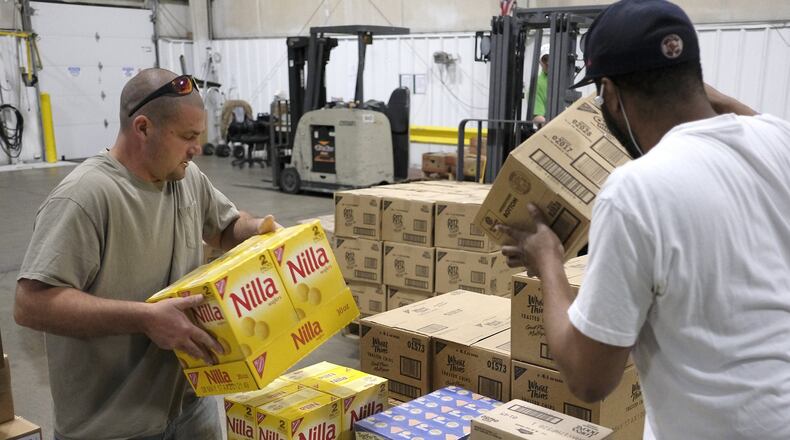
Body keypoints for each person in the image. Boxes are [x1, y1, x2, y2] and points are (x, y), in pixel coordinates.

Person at [496, 0, 790, 439]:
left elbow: (589, 378)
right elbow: (756, 119)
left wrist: (548, 263)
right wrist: (693, 90)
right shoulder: (777, 142)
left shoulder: (636, 190)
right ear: (695, 74)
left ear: (611, 95)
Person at [14, 68, 280, 440]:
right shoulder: (85, 197)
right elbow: (31, 305)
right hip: (113, 425)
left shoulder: (185, 177)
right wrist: (145, 319)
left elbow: (224, 227)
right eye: (187, 136)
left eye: (198, 136)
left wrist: (256, 230)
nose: (197, 149)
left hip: (190, 403)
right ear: (143, 128)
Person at [531, 44, 550, 124]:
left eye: (550, 58)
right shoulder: (537, 84)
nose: (548, 62)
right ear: (540, 62)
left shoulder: (567, 79)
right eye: (545, 59)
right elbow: (537, 116)